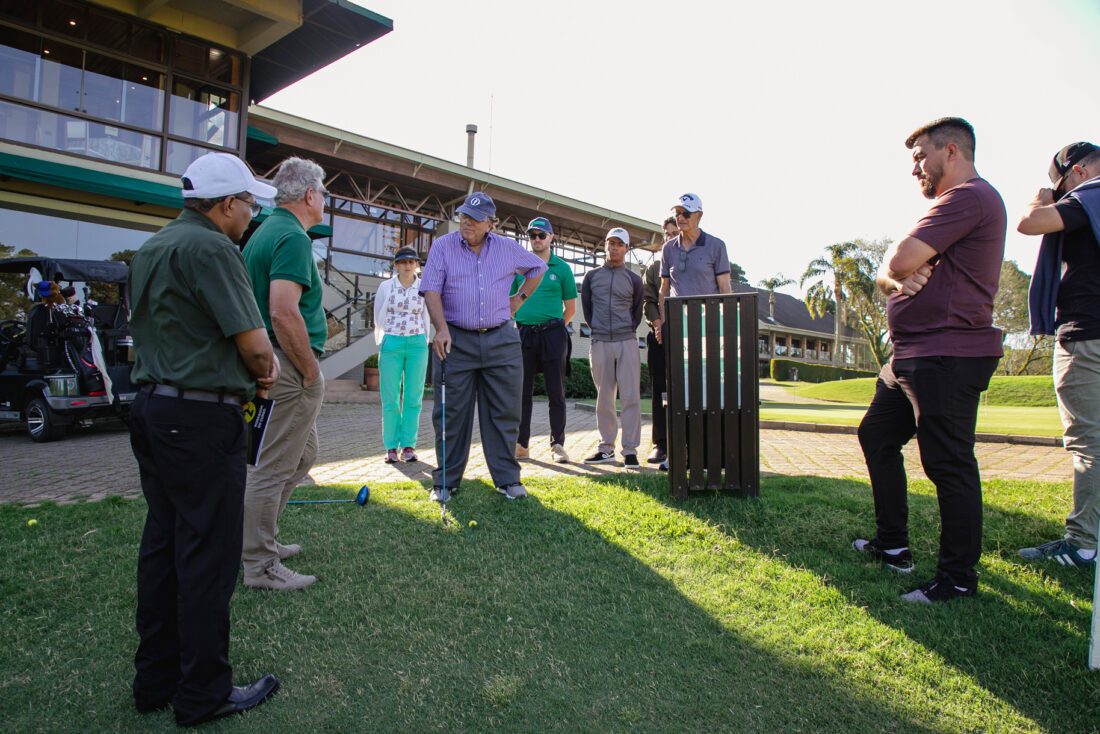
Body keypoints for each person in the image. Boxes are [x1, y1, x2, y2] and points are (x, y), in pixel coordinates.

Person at [128, 152, 281, 725]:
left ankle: (155, 680)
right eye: (249, 205)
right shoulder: (213, 249)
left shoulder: (154, 246)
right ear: (226, 205)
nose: (252, 216)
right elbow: (254, 344)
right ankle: (203, 693)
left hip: (153, 407)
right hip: (199, 417)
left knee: (163, 544)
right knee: (207, 556)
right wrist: (265, 373)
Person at [854, 117, 1005, 604]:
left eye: (921, 156)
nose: (915, 167)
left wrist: (895, 268)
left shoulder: (969, 198)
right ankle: (893, 545)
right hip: (910, 354)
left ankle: (957, 578)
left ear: (952, 151)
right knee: (877, 435)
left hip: (947, 353)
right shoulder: (951, 205)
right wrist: (893, 274)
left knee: (947, 463)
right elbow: (889, 272)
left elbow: (898, 258)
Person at [419, 192, 547, 502]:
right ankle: (446, 482)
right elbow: (431, 289)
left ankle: (507, 480)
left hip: (501, 339)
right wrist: (441, 328)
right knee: (450, 414)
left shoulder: (507, 248)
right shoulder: (443, 246)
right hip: (455, 340)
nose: (467, 223)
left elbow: (538, 268)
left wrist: (518, 299)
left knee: (505, 412)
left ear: (491, 223)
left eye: (475, 219)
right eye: (464, 216)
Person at [241, 157, 328, 591]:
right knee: (271, 467)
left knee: (303, 455)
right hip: (288, 366)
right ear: (310, 195)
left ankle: (262, 540)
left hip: (273, 362)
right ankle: (259, 564)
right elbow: (282, 311)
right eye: (324, 193)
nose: (325, 201)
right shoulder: (291, 236)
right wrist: (310, 371)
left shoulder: (266, 231)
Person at [1016, 141, 1100, 568]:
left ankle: (1083, 543)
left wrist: (1042, 198)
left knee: (1089, 443)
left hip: (1087, 334)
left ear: (1078, 171)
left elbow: (1030, 223)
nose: (1060, 194)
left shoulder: (1091, 193)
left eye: (1061, 185)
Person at [656, 193, 734, 471]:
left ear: (699, 215)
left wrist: (727, 328)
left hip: (710, 329)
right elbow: (664, 290)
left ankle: (713, 455)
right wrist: (662, 323)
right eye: (677, 213)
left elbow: (725, 289)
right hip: (680, 329)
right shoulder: (668, 249)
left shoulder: (716, 246)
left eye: (686, 213)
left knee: (711, 391)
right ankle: (677, 454)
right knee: (680, 392)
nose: (680, 218)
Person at [512, 216, 577, 464]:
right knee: (522, 391)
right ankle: (521, 444)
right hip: (524, 334)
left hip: (553, 334)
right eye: (532, 235)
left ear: (551, 238)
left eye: (541, 235)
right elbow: (511, 302)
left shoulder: (562, 269)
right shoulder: (520, 267)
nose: (536, 239)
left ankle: (557, 444)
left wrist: (554, 327)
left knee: (556, 391)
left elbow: (570, 309)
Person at [581, 227, 644, 466]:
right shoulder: (591, 277)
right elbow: (588, 310)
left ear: (626, 248)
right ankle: (606, 449)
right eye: (611, 243)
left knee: (630, 397)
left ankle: (630, 451)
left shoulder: (634, 279)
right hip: (600, 342)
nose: (614, 248)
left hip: (626, 341)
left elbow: (636, 312)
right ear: (605, 245)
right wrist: (598, 330)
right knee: (604, 398)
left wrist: (624, 330)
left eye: (619, 244)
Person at [374, 246, 430, 464]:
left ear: (416, 265)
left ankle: (408, 446)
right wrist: (385, 338)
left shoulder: (424, 286)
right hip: (392, 343)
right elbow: (379, 315)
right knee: (390, 397)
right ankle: (390, 447)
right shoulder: (386, 287)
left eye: (411, 261)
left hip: (417, 344)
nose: (407, 265)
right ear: (396, 265)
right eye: (403, 262)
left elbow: (428, 314)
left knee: (413, 397)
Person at [642, 217, 680, 465]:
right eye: (667, 234)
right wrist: (658, 325)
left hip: (687, 338)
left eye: (675, 234)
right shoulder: (654, 268)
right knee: (660, 391)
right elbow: (648, 301)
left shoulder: (689, 265)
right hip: (659, 337)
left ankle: (685, 443)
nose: (671, 238)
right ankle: (661, 444)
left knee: (687, 390)